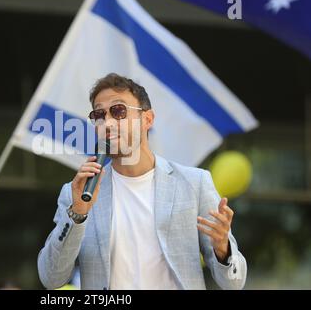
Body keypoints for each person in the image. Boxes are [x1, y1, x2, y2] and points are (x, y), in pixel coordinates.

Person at [37, 73, 247, 290]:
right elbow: (51, 277)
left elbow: (234, 283)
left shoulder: (195, 183)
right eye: (99, 114)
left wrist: (223, 249)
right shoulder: (76, 193)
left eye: (118, 111)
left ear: (147, 119)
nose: (108, 122)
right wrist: (77, 214)